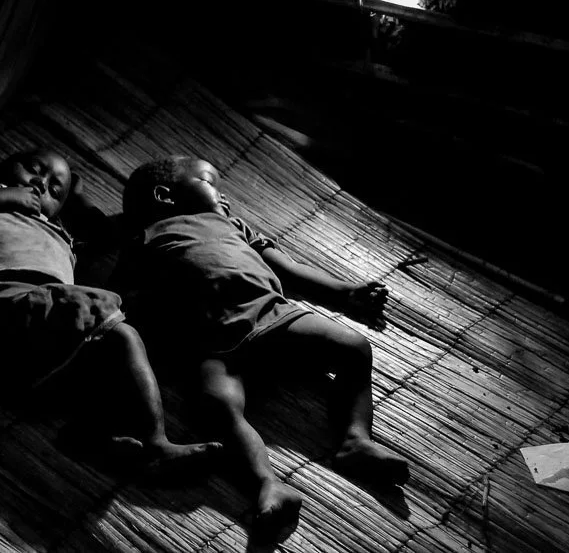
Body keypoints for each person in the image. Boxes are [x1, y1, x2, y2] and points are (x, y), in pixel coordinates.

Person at [116, 155, 409, 541]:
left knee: (353, 345)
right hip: (212, 340)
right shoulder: (148, 236)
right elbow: (127, 294)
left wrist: (346, 292)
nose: (225, 198)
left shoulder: (233, 225)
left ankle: (356, 440)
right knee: (215, 403)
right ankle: (266, 483)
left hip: (272, 314)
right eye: (211, 183)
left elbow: (286, 269)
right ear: (165, 195)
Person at [0, 148, 221, 473]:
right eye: (35, 170)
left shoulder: (57, 230)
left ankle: (89, 434)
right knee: (122, 335)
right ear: (3, 168)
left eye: (55, 190)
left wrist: (76, 199)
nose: (41, 184)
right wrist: (5, 197)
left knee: (115, 358)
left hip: (42, 340)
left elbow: (104, 234)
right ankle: (155, 443)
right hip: (8, 304)